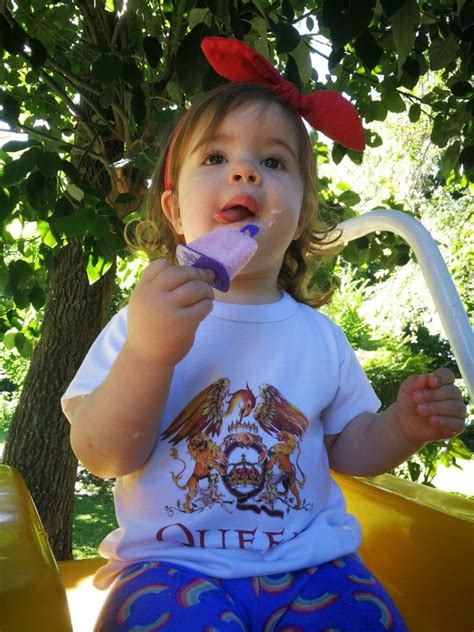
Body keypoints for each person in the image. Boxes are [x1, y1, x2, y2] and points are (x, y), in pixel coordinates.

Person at [62, 38, 466, 631]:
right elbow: (101, 455)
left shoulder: (320, 338)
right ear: (175, 211)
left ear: (301, 215)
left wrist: (404, 427)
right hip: (172, 565)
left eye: (274, 163)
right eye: (216, 158)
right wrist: (149, 353)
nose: (246, 170)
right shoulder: (141, 320)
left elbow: (348, 450)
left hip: (312, 564)